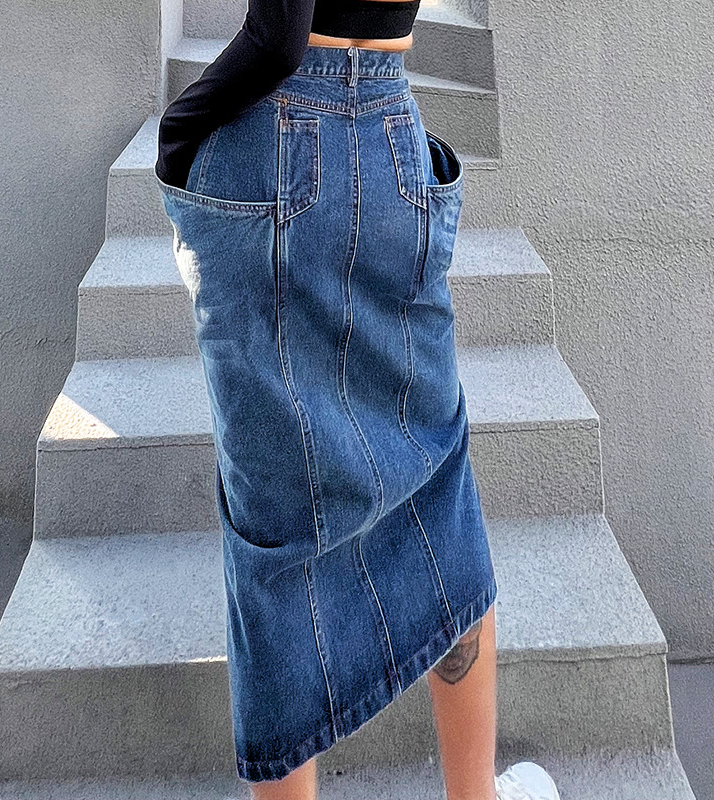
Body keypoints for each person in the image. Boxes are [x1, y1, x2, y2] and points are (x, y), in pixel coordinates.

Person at [154, 2, 561, 799]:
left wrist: (179, 129)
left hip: (274, 143)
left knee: (275, 519)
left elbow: (279, 36)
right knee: (436, 477)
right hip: (389, 130)